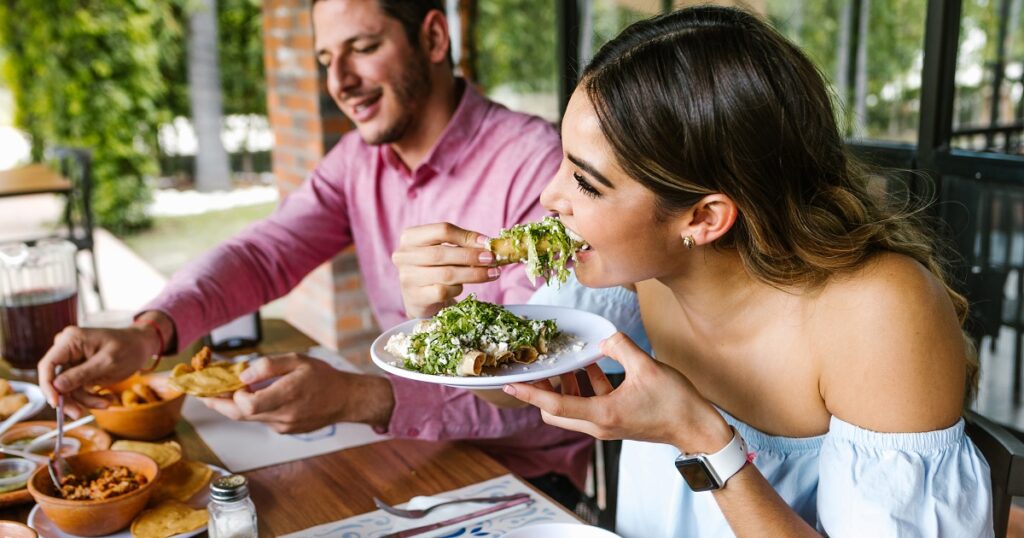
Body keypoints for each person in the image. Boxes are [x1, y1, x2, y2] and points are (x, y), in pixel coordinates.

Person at [396, 6, 993, 536]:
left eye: (585, 181)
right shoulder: (635, 271)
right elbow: (520, 395)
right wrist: (443, 324)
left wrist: (702, 438)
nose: (550, 197)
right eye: (563, 161)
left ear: (705, 217)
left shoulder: (880, 313)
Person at [37, 0, 592, 507]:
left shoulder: (535, 167)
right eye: (326, 58)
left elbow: (543, 392)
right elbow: (265, 253)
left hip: (525, 481)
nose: (340, 82)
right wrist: (150, 331)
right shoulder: (356, 161)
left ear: (434, 38)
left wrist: (361, 399)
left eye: (364, 48)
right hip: (406, 451)